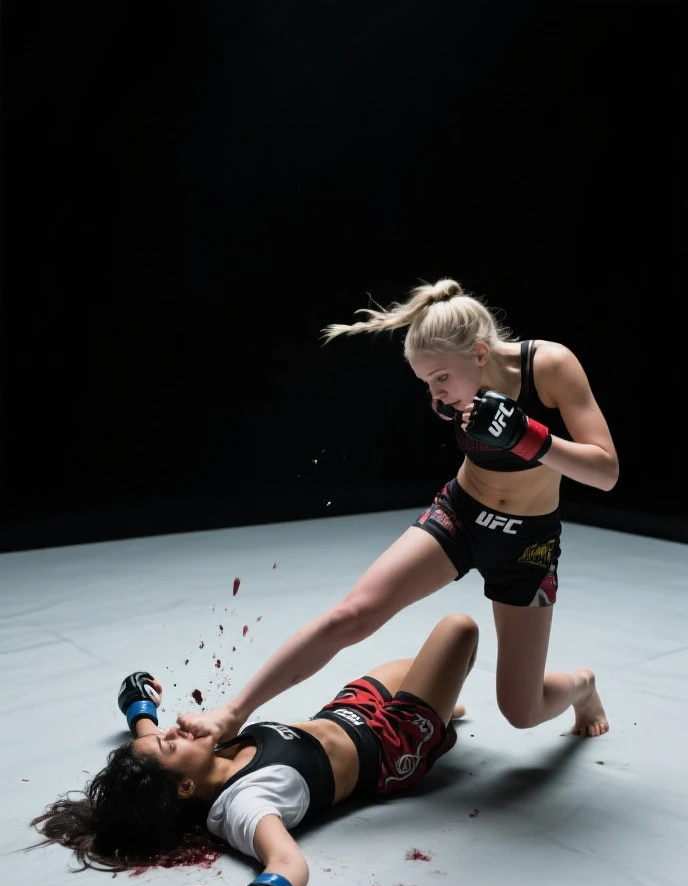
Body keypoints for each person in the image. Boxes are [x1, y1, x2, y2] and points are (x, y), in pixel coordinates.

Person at [177, 278, 616, 748]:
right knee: (352, 614)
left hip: (528, 542)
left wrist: (527, 437)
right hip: (463, 515)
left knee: (521, 711)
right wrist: (457, 402)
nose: (437, 395)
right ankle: (232, 713)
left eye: (441, 378)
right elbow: (456, 404)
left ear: (480, 353)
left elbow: (606, 471)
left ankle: (582, 686)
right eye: (427, 383)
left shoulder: (549, 365)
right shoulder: (455, 392)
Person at [30, 614, 478, 886]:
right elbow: (287, 861)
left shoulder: (194, 760)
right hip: (394, 743)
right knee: (459, 630)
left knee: (435, 669)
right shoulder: (243, 805)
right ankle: (448, 722)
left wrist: (137, 703)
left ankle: (445, 710)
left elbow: (147, 740)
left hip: (349, 708)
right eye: (168, 742)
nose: (172, 731)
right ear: (184, 788)